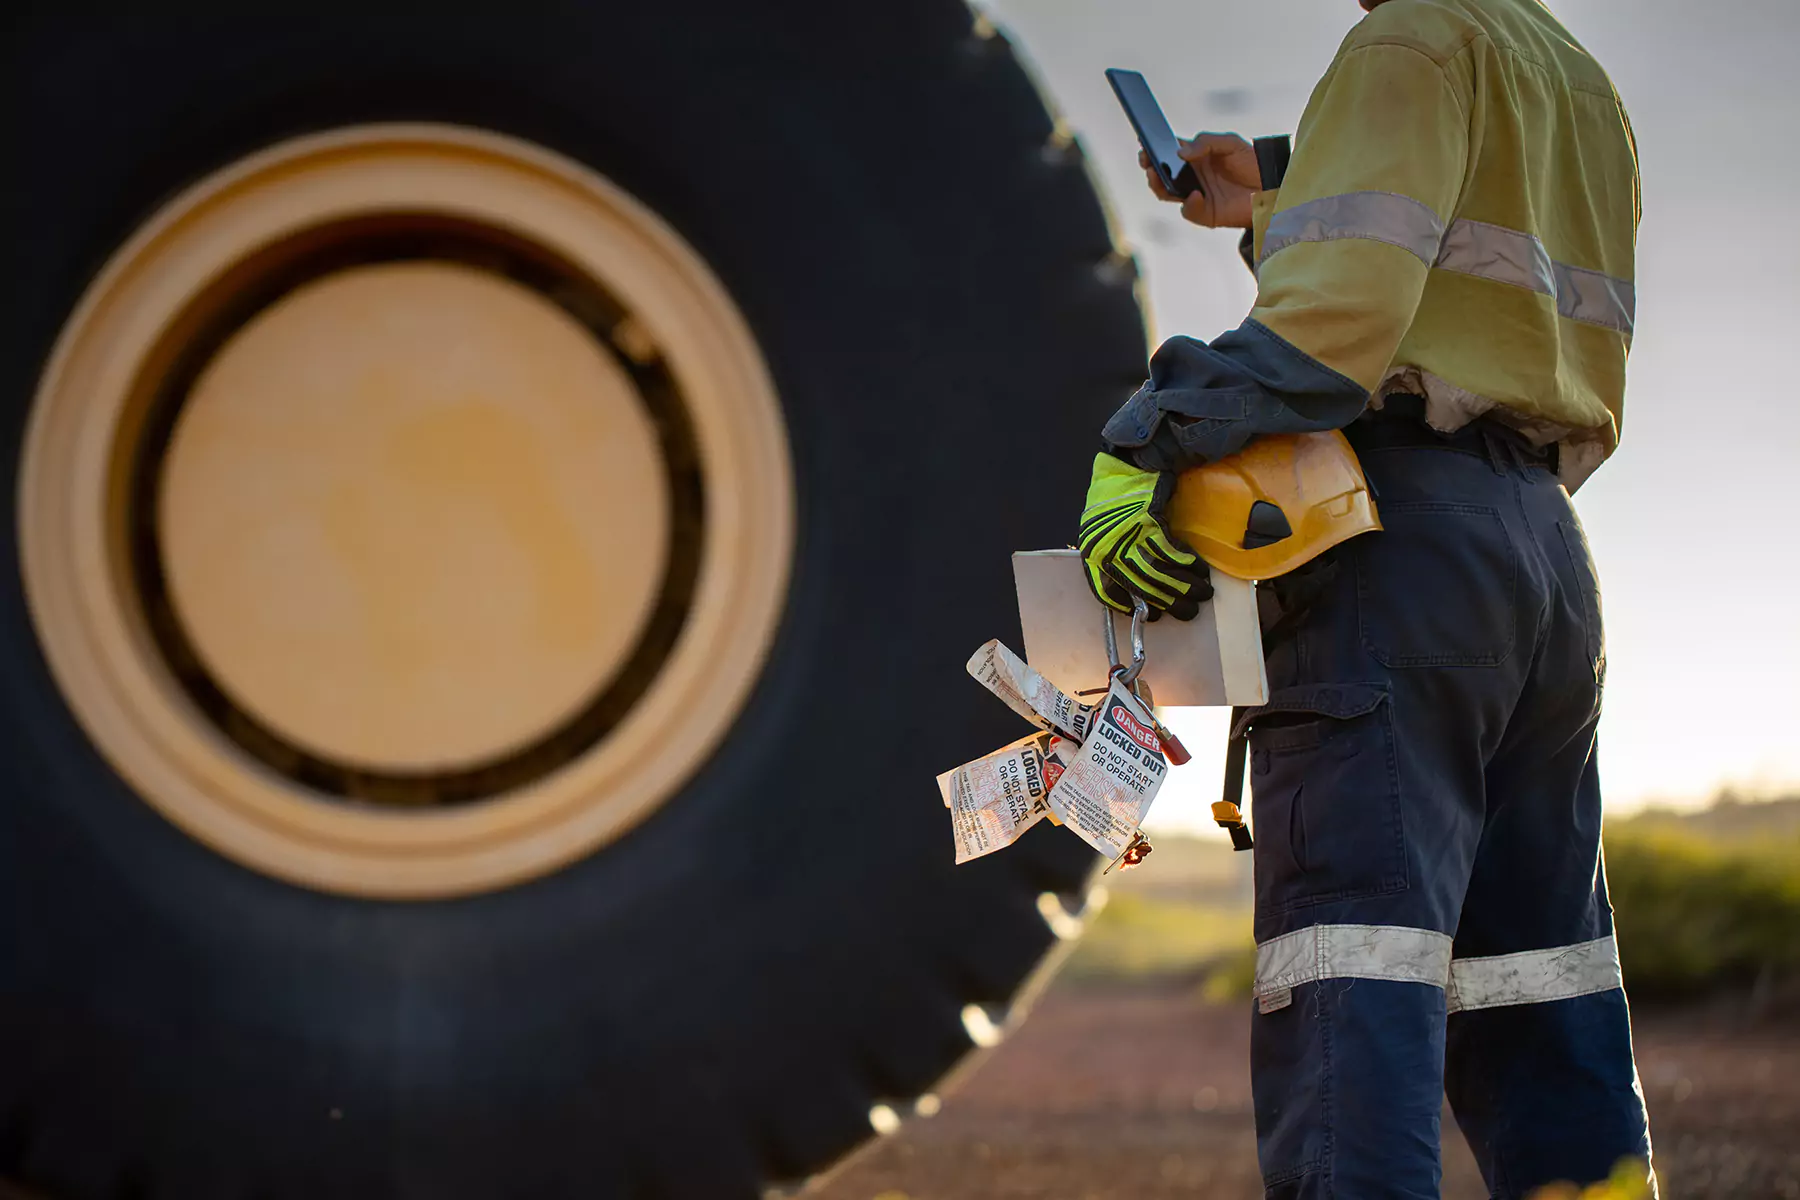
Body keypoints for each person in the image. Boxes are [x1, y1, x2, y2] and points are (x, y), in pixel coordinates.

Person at [1076, 0, 1654, 1197]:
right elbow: (1464, 267)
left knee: (1356, 982)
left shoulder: (1408, 42)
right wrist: (1278, 194)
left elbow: (1336, 331)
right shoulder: (1576, 82)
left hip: (1396, 548)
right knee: (1545, 990)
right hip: (1543, 558)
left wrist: (1146, 441)